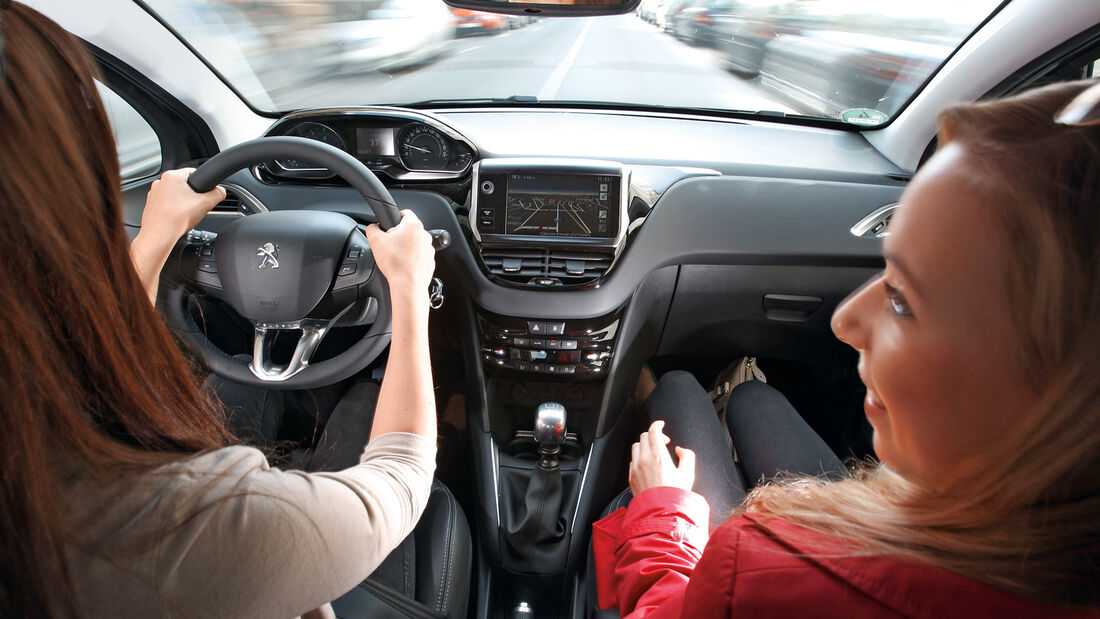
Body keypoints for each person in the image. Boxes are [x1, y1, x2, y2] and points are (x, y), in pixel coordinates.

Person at [593, 79, 1100, 617]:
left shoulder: (762, 570)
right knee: (753, 399)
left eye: (902, 300)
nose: (845, 321)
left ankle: (659, 391)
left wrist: (660, 508)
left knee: (678, 391)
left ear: (1062, 394)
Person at [0, 3, 438, 618]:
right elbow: (399, 480)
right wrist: (410, 289)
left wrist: (154, 239)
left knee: (243, 384)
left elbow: (89, 349)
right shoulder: (185, 528)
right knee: (364, 410)